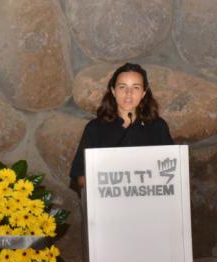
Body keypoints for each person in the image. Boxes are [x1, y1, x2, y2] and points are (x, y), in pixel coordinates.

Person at [70, 62, 173, 190]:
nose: (128, 93)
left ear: (144, 93)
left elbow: (171, 171)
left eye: (136, 87)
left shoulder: (158, 127)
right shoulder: (95, 128)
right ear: (113, 91)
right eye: (122, 87)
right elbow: (79, 174)